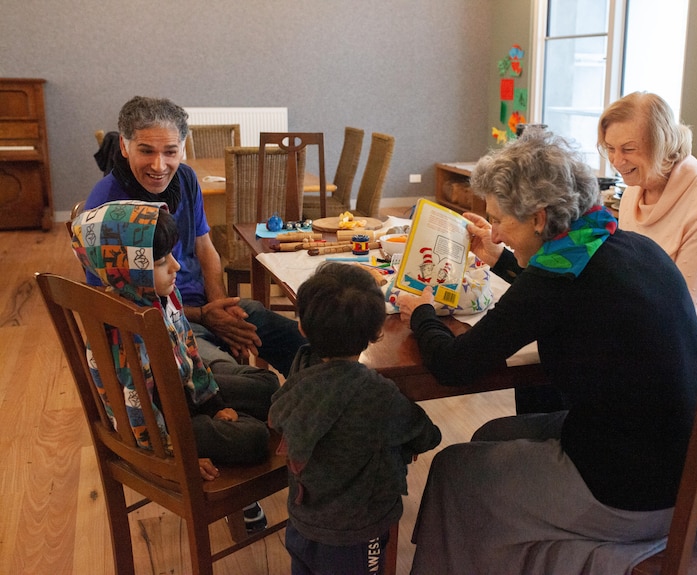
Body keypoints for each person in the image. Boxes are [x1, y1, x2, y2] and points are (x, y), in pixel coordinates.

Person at [396, 128, 697, 574]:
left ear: (538, 217)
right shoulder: (621, 245)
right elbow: (551, 297)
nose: (494, 231)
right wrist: (504, 261)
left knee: (454, 468)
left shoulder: (554, 279)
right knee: (492, 435)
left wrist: (422, 315)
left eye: (499, 220)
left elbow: (456, 365)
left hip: (642, 494)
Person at [70, 201, 279, 532]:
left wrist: (214, 404)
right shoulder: (122, 327)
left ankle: (239, 424)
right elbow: (134, 409)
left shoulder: (160, 295)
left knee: (266, 385)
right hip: (160, 427)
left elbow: (191, 353)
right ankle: (249, 438)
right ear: (127, 268)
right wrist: (172, 460)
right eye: (161, 261)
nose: (176, 267)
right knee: (254, 438)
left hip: (181, 393)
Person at [84, 96, 305, 375]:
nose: (159, 165)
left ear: (182, 150)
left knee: (305, 347)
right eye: (147, 151)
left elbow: (205, 249)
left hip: (203, 310)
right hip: (155, 327)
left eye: (170, 152)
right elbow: (114, 303)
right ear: (124, 147)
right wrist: (204, 317)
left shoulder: (186, 180)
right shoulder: (108, 208)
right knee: (256, 385)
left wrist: (218, 310)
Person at [269, 262, 441, 575]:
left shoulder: (300, 368)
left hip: (303, 519)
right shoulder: (380, 396)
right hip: (357, 533)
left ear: (302, 328)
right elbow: (427, 434)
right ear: (377, 332)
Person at [598, 91, 697, 328]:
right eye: (610, 148)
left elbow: (685, 308)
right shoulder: (633, 191)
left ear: (661, 145)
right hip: (641, 321)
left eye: (628, 149)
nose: (617, 161)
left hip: (693, 338)